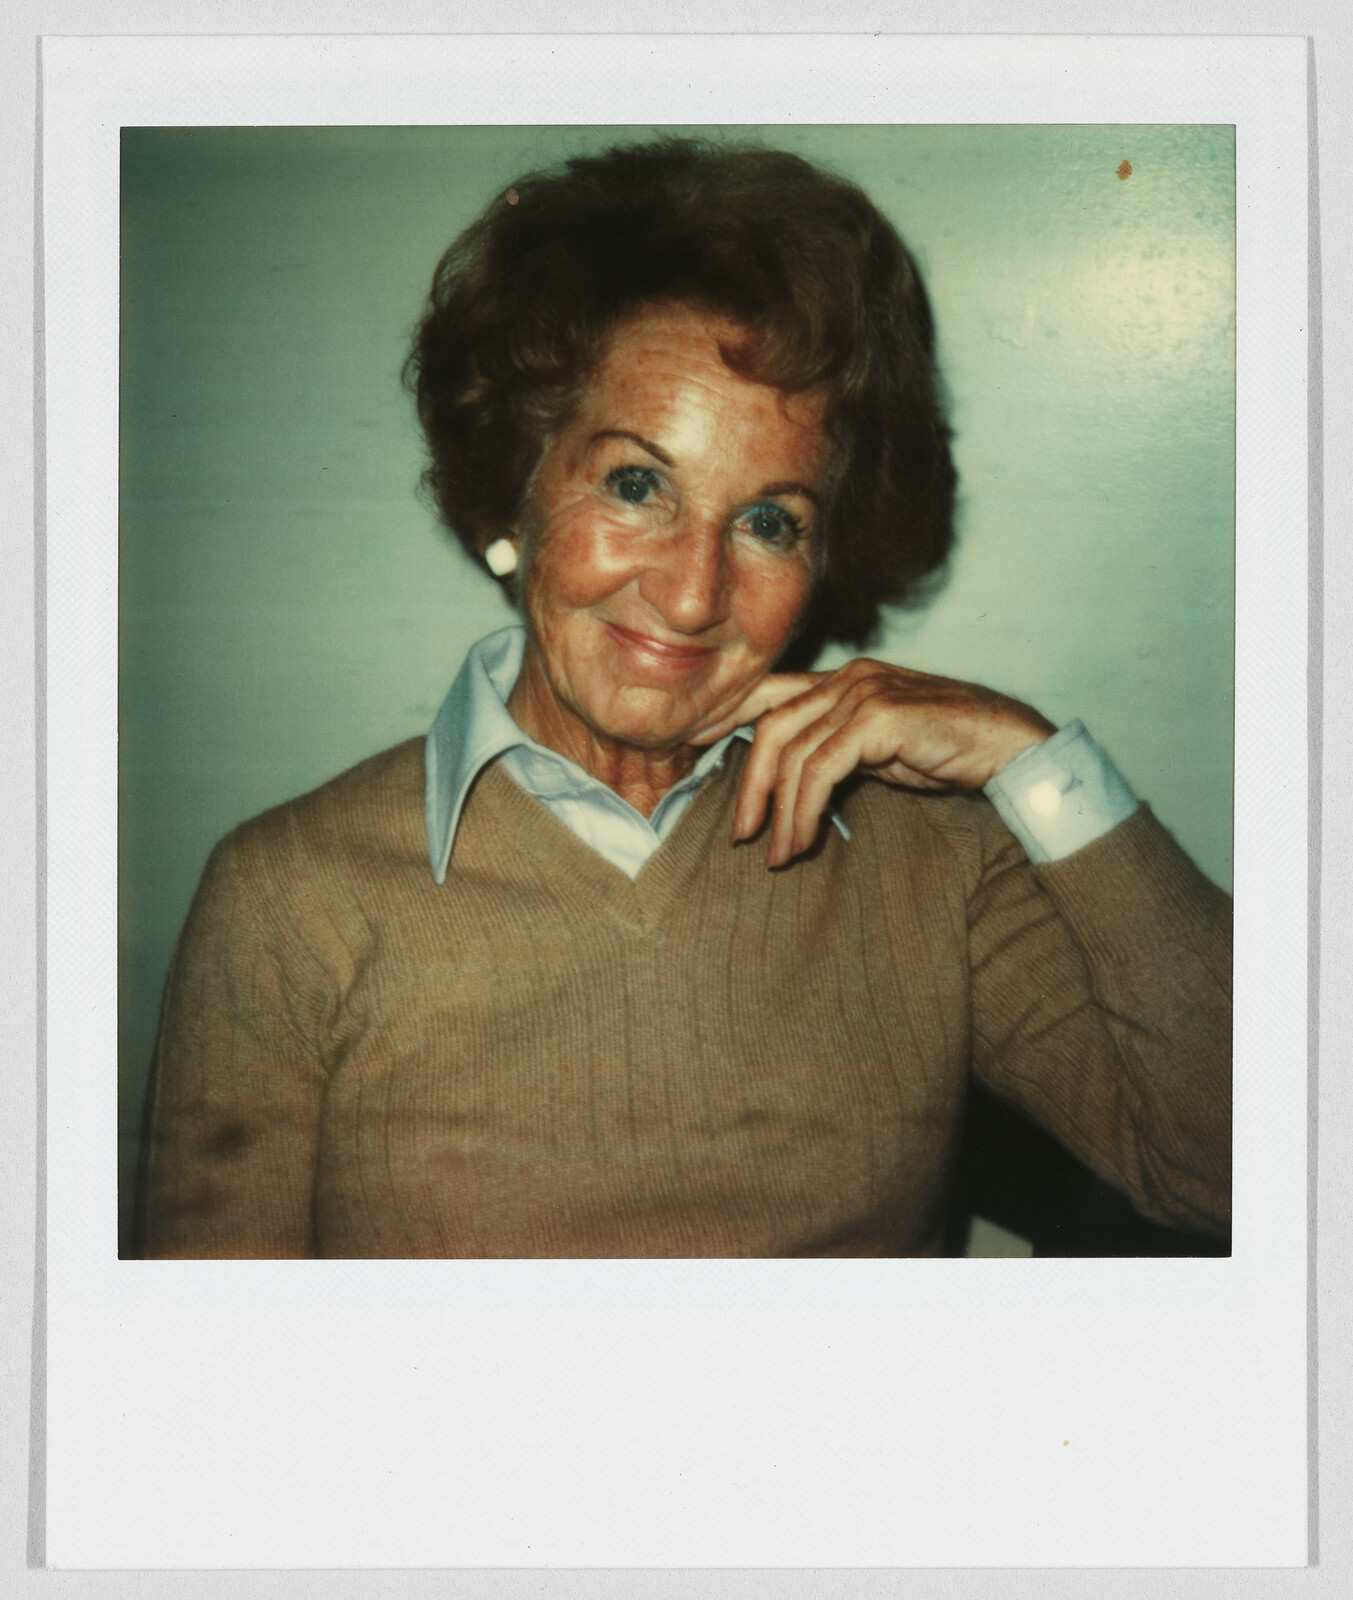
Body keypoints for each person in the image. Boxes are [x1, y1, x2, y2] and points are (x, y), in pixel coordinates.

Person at [136, 139, 1231, 1260]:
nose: (695, 589)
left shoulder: (938, 864)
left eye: (769, 521)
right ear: (517, 481)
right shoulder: (290, 896)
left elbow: (1238, 1168)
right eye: (636, 483)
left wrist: (1030, 760)